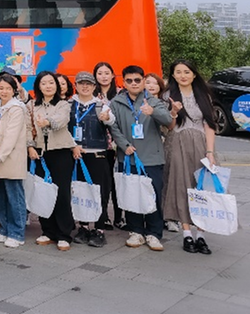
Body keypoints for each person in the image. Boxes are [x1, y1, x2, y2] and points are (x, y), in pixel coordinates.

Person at [107, 65, 173, 251]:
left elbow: (168, 121)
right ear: (124, 82)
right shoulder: (117, 102)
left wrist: (153, 112)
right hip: (128, 157)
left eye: (137, 80)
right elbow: (113, 127)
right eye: (129, 80)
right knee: (132, 195)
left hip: (151, 157)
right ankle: (135, 231)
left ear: (143, 81)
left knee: (153, 196)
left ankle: (154, 233)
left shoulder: (153, 101)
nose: (134, 83)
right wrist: (124, 145)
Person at [163, 60, 219, 255]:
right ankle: (187, 233)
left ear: (194, 74)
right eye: (178, 72)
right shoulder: (168, 95)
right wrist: (173, 112)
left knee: (202, 188)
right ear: (173, 75)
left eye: (186, 72)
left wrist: (210, 152)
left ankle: (201, 234)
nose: (183, 75)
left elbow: (209, 125)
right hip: (177, 144)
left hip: (202, 145)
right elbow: (169, 127)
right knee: (181, 186)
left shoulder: (204, 96)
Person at [29, 71, 75, 251]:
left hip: (60, 152)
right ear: (38, 87)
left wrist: (47, 121)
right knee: (43, 192)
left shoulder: (63, 104)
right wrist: (30, 146)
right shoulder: (32, 106)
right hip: (40, 153)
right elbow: (28, 128)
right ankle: (48, 230)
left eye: (51, 83)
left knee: (62, 193)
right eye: (44, 83)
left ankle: (64, 234)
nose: (48, 86)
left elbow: (61, 120)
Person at [70, 71, 111, 247]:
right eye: (81, 83)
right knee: (80, 192)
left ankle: (99, 229)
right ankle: (83, 226)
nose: (85, 87)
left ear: (94, 87)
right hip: (77, 155)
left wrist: (107, 118)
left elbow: (111, 121)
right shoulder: (69, 105)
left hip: (97, 155)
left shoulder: (101, 105)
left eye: (88, 84)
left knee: (99, 192)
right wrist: (72, 145)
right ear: (76, 86)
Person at [0, 74, 28, 248]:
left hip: (10, 158)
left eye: (8, 88)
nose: (4, 91)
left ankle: (17, 233)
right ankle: (4, 229)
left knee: (14, 197)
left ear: (14, 90)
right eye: (1, 88)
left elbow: (11, 136)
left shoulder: (16, 108)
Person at [94, 61, 123, 229]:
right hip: (100, 145)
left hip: (118, 143)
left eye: (107, 73)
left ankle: (119, 217)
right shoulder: (92, 95)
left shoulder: (120, 94)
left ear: (112, 75)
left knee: (117, 182)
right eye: (100, 73)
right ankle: (103, 216)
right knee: (103, 183)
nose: (103, 76)